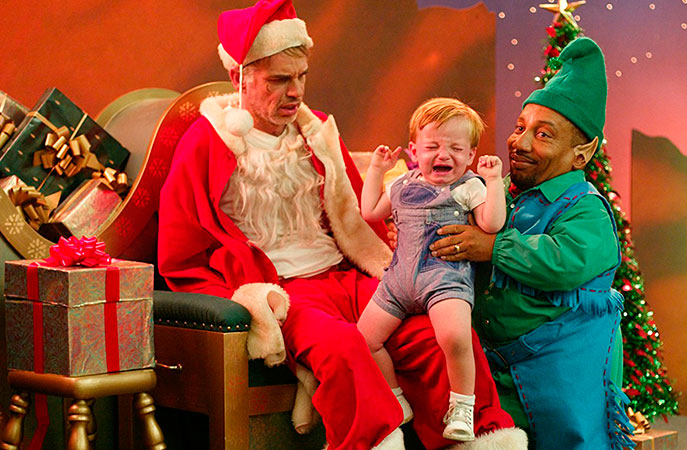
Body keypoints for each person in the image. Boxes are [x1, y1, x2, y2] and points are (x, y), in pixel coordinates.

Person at [157, 1, 526, 449]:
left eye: (301, 76)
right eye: (279, 80)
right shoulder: (207, 142)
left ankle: (480, 439)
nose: (295, 92)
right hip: (284, 291)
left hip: (345, 276)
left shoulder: (315, 132)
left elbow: (357, 215)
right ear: (241, 77)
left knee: (436, 334)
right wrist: (250, 304)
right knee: (344, 348)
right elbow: (181, 255)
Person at [428, 38, 635, 449]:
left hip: (561, 377)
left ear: (581, 153)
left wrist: (493, 247)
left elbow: (563, 263)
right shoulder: (500, 192)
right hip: (500, 368)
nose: (520, 143)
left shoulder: (587, 209)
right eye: (520, 127)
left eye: (543, 135)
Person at [358, 98, 506, 442]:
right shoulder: (401, 184)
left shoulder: (468, 186)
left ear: (470, 155)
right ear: (414, 151)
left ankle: (462, 406)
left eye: (456, 148)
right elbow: (370, 212)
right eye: (432, 147)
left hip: (444, 279)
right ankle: (395, 398)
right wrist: (378, 170)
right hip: (398, 282)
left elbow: (492, 223)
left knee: (455, 337)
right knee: (364, 340)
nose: (444, 155)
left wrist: (493, 180)